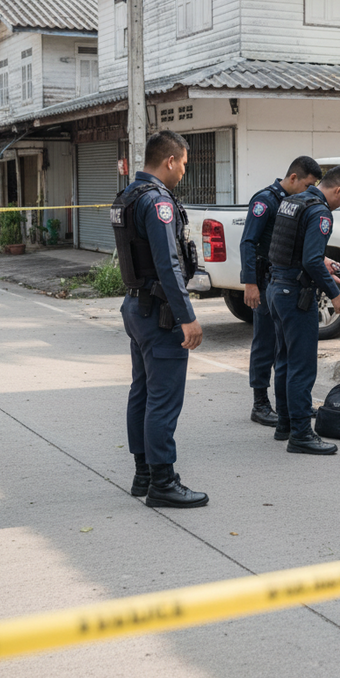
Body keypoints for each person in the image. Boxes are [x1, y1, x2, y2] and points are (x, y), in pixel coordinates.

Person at [112, 130, 207, 508]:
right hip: (160, 312)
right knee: (163, 400)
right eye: (183, 163)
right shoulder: (157, 203)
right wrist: (188, 317)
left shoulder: (128, 196)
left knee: (143, 392)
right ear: (169, 160)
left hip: (137, 307)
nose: (184, 171)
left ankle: (144, 474)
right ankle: (163, 482)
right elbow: (168, 264)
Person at [267, 165, 340, 454]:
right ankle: (302, 434)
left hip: (276, 288)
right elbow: (310, 261)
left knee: (284, 361)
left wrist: (323, 258)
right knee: (302, 367)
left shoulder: (292, 201)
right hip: (296, 295)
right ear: (339, 190)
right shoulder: (320, 211)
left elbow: (293, 247)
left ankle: (285, 425)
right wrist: (336, 295)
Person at [239, 156, 322, 427]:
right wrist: (250, 283)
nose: (311, 191)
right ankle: (260, 402)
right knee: (266, 342)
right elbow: (248, 242)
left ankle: (292, 404)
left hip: (283, 281)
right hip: (264, 281)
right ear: (294, 178)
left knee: (286, 347)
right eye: (308, 184)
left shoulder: (295, 203)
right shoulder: (267, 200)